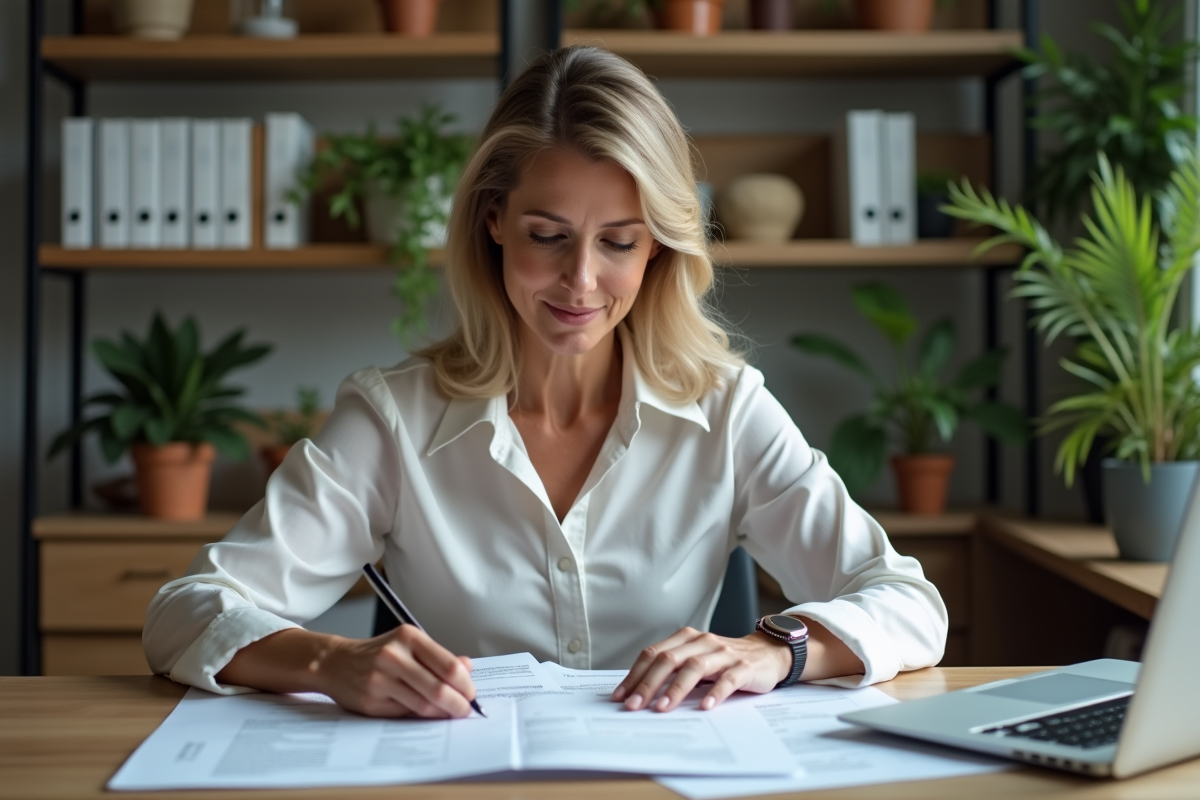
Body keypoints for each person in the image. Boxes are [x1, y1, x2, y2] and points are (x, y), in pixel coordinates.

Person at [144, 45, 947, 720]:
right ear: (494, 219)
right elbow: (184, 612)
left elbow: (910, 604)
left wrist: (776, 649)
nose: (582, 282)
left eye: (620, 243)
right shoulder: (394, 417)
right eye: (548, 236)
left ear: (659, 248)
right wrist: (330, 662)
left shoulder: (727, 409)